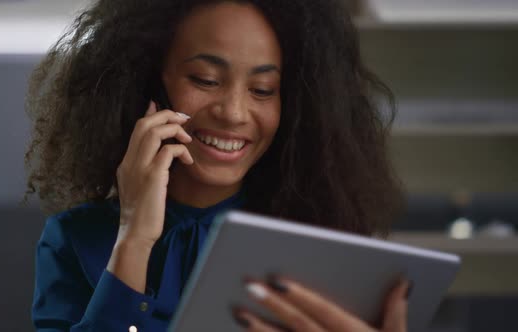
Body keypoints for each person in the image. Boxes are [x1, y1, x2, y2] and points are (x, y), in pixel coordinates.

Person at [24, 0, 407, 331]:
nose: (233, 113)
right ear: (147, 81)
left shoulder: (322, 246)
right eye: (205, 80)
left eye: (262, 90)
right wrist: (134, 238)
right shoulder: (72, 240)